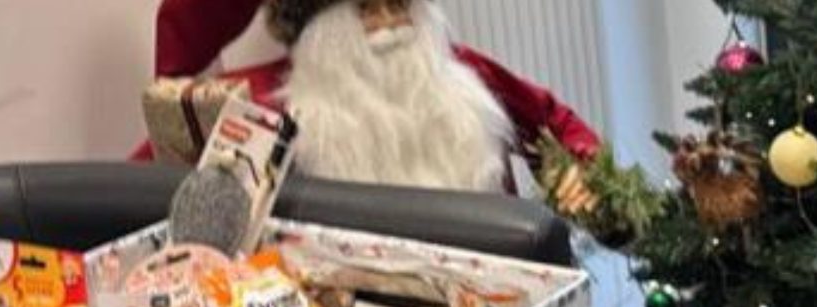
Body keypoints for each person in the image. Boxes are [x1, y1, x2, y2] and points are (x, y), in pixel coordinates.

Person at [149, 0, 601, 200]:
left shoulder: (465, 74)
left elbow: (558, 127)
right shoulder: (261, 105)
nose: (391, 28)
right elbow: (145, 176)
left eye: (399, 5)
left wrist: (584, 180)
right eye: (367, 9)